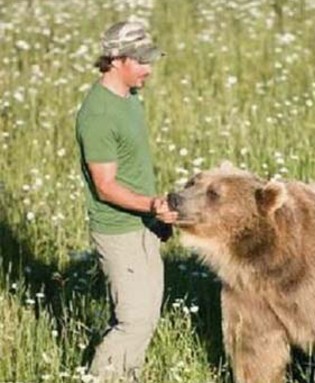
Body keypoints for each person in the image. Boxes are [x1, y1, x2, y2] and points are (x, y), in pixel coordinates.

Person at [75, 21, 177, 382]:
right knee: (133, 321)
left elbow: (132, 168)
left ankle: (126, 376)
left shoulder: (129, 98)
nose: (149, 69)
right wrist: (151, 205)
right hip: (120, 231)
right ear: (116, 60)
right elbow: (105, 187)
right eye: (141, 61)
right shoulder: (99, 115)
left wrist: (156, 218)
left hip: (144, 223)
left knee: (147, 317)